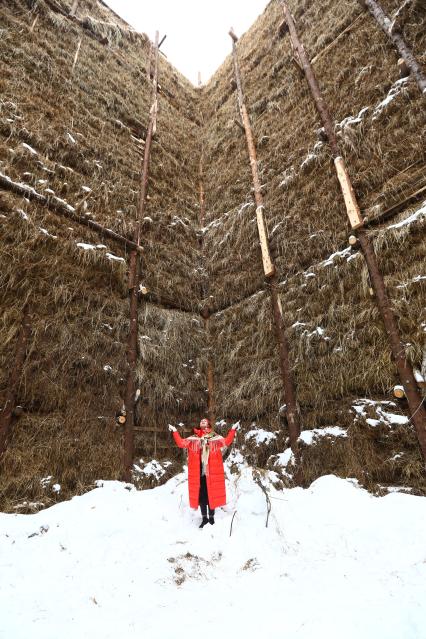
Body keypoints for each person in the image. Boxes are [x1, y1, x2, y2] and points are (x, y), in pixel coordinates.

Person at [168, 418, 239, 528]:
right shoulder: (193, 439)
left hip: (211, 474)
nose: (203, 421)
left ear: (209, 424)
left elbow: (226, 442)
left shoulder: (215, 438)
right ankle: (204, 518)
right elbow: (181, 443)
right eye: (201, 421)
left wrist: (233, 430)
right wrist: (175, 431)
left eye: (205, 421)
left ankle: (211, 518)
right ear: (199, 424)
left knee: (212, 496)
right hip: (198, 474)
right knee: (201, 497)